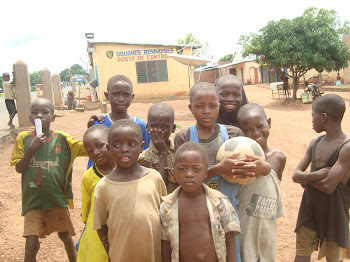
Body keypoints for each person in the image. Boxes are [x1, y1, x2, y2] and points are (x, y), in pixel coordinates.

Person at [174, 82, 271, 262]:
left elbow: (254, 163)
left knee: (231, 252)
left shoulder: (234, 134)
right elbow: (181, 177)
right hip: (195, 210)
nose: (206, 111)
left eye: (212, 106)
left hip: (229, 209)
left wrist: (263, 167)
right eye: (200, 106)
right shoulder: (184, 136)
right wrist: (219, 169)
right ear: (190, 108)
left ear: (218, 106)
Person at [10, 98, 87, 262]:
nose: (39, 116)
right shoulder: (23, 139)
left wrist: (92, 127)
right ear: (30, 117)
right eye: (35, 112)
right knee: (31, 243)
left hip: (56, 200)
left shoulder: (62, 140)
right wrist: (31, 150)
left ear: (53, 117)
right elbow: (18, 168)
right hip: (33, 202)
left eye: (45, 112)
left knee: (66, 236)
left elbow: (87, 147)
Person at [93, 119, 167, 262]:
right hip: (121, 255)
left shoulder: (154, 178)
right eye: (116, 145)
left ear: (142, 146)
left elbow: (164, 218)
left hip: (153, 255)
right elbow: (101, 226)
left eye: (131, 144)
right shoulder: (103, 186)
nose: (124, 149)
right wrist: (111, 252)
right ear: (109, 148)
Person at [292, 94, 350, 262]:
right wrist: (317, 174)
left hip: (335, 213)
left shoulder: (346, 148)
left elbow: (328, 187)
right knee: (301, 256)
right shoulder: (314, 143)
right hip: (309, 210)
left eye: (313, 115)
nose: (311, 120)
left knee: (333, 259)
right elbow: (296, 175)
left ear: (323, 117)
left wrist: (307, 179)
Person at [161, 142, 240, 262]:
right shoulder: (167, 206)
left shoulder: (220, 202)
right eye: (182, 169)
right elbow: (165, 243)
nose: (189, 174)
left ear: (206, 174)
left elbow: (230, 239)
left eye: (196, 169)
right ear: (174, 173)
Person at [236, 103, 286, 261]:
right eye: (248, 130)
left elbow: (273, 187)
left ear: (269, 122)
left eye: (259, 126)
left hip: (266, 224)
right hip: (244, 224)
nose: (255, 133)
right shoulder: (239, 158)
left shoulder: (279, 158)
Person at [86, 74, 150, 169]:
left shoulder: (140, 125)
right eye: (116, 94)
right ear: (107, 95)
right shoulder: (99, 124)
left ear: (132, 97)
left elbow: (147, 156)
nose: (121, 99)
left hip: (135, 178)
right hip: (107, 179)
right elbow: (94, 158)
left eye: (126, 94)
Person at [77, 125, 115, 262]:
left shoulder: (127, 171)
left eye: (100, 146)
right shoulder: (88, 177)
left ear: (112, 142)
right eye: (90, 151)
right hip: (97, 236)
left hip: (122, 231)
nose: (96, 152)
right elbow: (86, 214)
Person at [139, 102, 178, 193]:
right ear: (147, 127)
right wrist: (163, 153)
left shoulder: (179, 149)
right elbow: (159, 184)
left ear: (173, 128)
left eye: (165, 126)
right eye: (154, 126)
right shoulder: (145, 157)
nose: (159, 131)